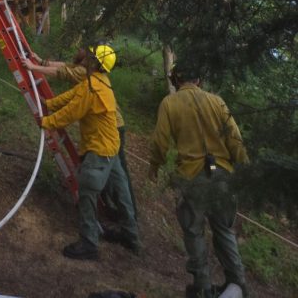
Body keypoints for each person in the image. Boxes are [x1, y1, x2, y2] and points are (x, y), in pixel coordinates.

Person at [148, 59, 249, 298]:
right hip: (223, 175)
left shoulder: (170, 103)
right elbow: (235, 139)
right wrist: (245, 173)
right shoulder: (217, 101)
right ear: (199, 81)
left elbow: (160, 141)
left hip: (192, 177)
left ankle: (202, 287)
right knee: (224, 230)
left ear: (177, 80)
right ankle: (238, 284)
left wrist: (154, 166)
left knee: (194, 232)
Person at [36, 44, 141, 260]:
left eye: (90, 56)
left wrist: (47, 121)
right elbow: (74, 95)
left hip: (100, 150)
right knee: (122, 194)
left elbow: (73, 111)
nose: (85, 58)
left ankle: (89, 242)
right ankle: (131, 237)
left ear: (95, 62)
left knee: (87, 192)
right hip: (112, 147)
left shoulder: (93, 87)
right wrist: (50, 103)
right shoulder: (98, 82)